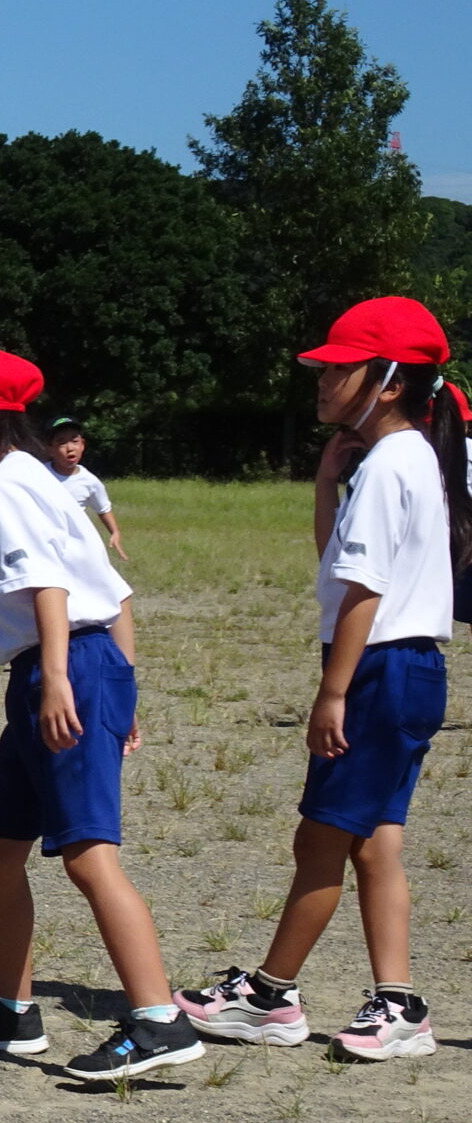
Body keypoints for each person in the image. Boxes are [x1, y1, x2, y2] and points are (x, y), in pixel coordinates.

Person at [179, 296, 470, 1061]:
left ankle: (269, 996)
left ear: (391, 382)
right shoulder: (408, 458)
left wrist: (333, 691)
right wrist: (324, 487)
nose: (322, 379)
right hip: (408, 669)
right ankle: (398, 1005)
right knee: (374, 844)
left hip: (378, 668)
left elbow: (364, 595)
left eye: (340, 369)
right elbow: (339, 572)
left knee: (320, 840)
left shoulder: (392, 463)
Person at [0, 349, 202, 1082]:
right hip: (67, 667)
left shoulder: (7, 487)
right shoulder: (37, 481)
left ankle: (159, 1018)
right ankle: (11, 1012)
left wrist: (57, 681)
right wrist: (120, 687)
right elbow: (118, 593)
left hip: (64, 668)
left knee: (88, 853)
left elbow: (51, 586)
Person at [46, 418, 128, 563]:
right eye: (61, 442)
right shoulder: (38, 473)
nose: (70, 448)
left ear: (82, 445)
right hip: (44, 539)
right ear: (50, 449)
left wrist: (115, 532)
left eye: (75, 441)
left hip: (72, 543)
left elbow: (103, 509)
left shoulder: (89, 481)